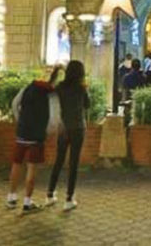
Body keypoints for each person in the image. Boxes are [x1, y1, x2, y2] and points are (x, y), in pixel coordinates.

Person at [7, 66, 61, 213]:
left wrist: (20, 120)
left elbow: (14, 104)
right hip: (36, 136)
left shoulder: (27, 88)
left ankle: (11, 197)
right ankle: (27, 201)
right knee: (32, 167)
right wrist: (48, 131)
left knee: (16, 163)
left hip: (22, 132)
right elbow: (54, 118)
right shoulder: (51, 94)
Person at [47, 60, 91, 212]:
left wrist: (55, 71)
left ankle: (50, 194)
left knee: (59, 160)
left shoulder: (61, 87)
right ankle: (69, 198)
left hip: (63, 128)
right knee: (73, 163)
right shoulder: (81, 88)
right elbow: (87, 105)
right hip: (78, 128)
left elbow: (48, 88)